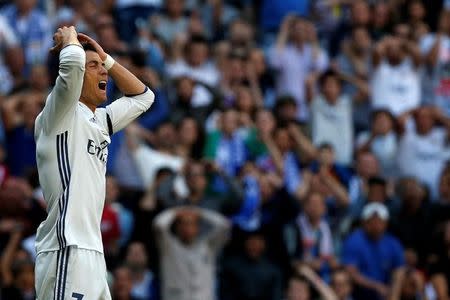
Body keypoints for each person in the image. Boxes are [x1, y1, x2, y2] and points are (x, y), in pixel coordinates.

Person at [33, 26, 155, 299]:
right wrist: (70, 38)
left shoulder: (100, 120)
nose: (104, 73)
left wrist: (107, 59)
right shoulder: (59, 111)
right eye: (94, 67)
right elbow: (73, 63)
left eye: (103, 68)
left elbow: (144, 97)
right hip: (66, 247)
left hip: (93, 252)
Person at [153, 206, 230, 300]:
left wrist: (201, 213)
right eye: (183, 224)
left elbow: (225, 225)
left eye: (191, 224)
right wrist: (174, 212)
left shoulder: (208, 246)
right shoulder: (168, 246)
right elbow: (159, 225)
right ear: (177, 227)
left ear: (197, 227)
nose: (187, 228)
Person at [342, 203, 405, 300]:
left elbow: (399, 271)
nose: (376, 224)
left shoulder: (393, 243)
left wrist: (393, 296)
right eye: (372, 220)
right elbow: (351, 272)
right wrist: (376, 286)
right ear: (364, 222)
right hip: (359, 294)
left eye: (380, 221)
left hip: (386, 293)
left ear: (386, 223)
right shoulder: (354, 240)